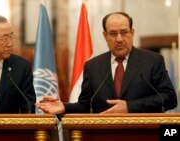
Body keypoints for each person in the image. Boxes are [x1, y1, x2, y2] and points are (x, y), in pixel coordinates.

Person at [36, 12, 177, 114]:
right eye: (113, 33)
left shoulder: (152, 61)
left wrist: (130, 107)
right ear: (105, 36)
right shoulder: (93, 66)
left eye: (124, 32)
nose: (119, 39)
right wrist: (64, 107)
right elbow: (86, 105)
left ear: (132, 33)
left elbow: (170, 98)